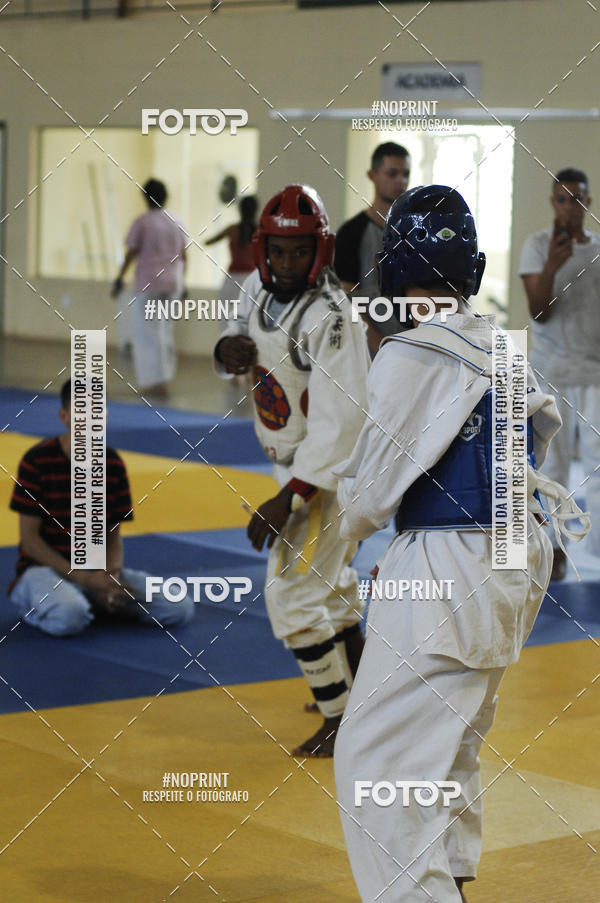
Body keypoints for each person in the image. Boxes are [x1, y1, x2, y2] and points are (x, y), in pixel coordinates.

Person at [332, 186, 589, 902]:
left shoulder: (412, 350)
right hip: (515, 549)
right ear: (470, 269)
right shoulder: (494, 341)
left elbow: (365, 498)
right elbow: (545, 424)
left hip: (457, 560)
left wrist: (402, 536)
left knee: (376, 760)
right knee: (447, 741)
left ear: (394, 266)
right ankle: (456, 875)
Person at [214, 184, 370, 757]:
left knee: (289, 592)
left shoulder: (331, 317)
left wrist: (294, 497)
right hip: (290, 463)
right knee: (328, 585)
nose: (286, 263)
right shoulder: (257, 286)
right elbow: (236, 330)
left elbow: (342, 421)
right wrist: (225, 349)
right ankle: (361, 690)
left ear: (320, 252)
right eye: (277, 251)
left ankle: (340, 718)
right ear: (262, 251)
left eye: (299, 252)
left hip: (327, 475)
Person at [8, 379, 195, 636]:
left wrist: (110, 578)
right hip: (45, 571)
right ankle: (39, 603)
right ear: (64, 416)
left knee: (179, 607)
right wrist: (83, 578)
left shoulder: (112, 464)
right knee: (69, 616)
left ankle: (94, 601)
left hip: (95, 572)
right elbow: (30, 541)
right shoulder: (37, 461)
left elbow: (113, 537)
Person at [519, 167, 600, 580]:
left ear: (588, 202)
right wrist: (553, 265)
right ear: (554, 202)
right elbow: (538, 311)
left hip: (595, 374)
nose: (572, 207)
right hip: (551, 375)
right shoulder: (536, 246)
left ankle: (598, 548)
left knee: (598, 465)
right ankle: (555, 547)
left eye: (579, 198)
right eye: (564, 199)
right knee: (554, 466)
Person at [111, 178, 187, 398]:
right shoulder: (176, 222)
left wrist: (119, 278)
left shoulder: (143, 222)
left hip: (149, 284)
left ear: (145, 198)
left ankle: (154, 382)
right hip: (172, 283)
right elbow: (184, 256)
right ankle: (163, 379)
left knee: (146, 334)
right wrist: (183, 284)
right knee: (164, 331)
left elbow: (131, 253)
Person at [334, 141, 411, 353]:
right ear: (372, 175)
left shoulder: (414, 232)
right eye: (392, 173)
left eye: (405, 174)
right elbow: (345, 298)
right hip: (369, 352)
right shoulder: (351, 232)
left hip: (413, 347)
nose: (401, 181)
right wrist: (378, 343)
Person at [206, 195, 258, 330]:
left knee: (226, 314)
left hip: (233, 278)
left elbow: (209, 242)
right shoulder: (260, 231)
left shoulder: (232, 229)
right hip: (251, 278)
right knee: (250, 315)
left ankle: (228, 340)